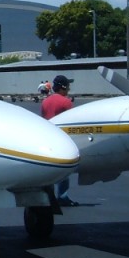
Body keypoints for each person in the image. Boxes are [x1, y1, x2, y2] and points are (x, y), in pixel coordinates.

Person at [41, 75, 76, 206]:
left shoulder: (45, 101)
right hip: (62, 137)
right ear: (64, 87)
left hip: (48, 136)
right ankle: (63, 196)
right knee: (64, 170)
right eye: (68, 85)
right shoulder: (66, 102)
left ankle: (48, 197)